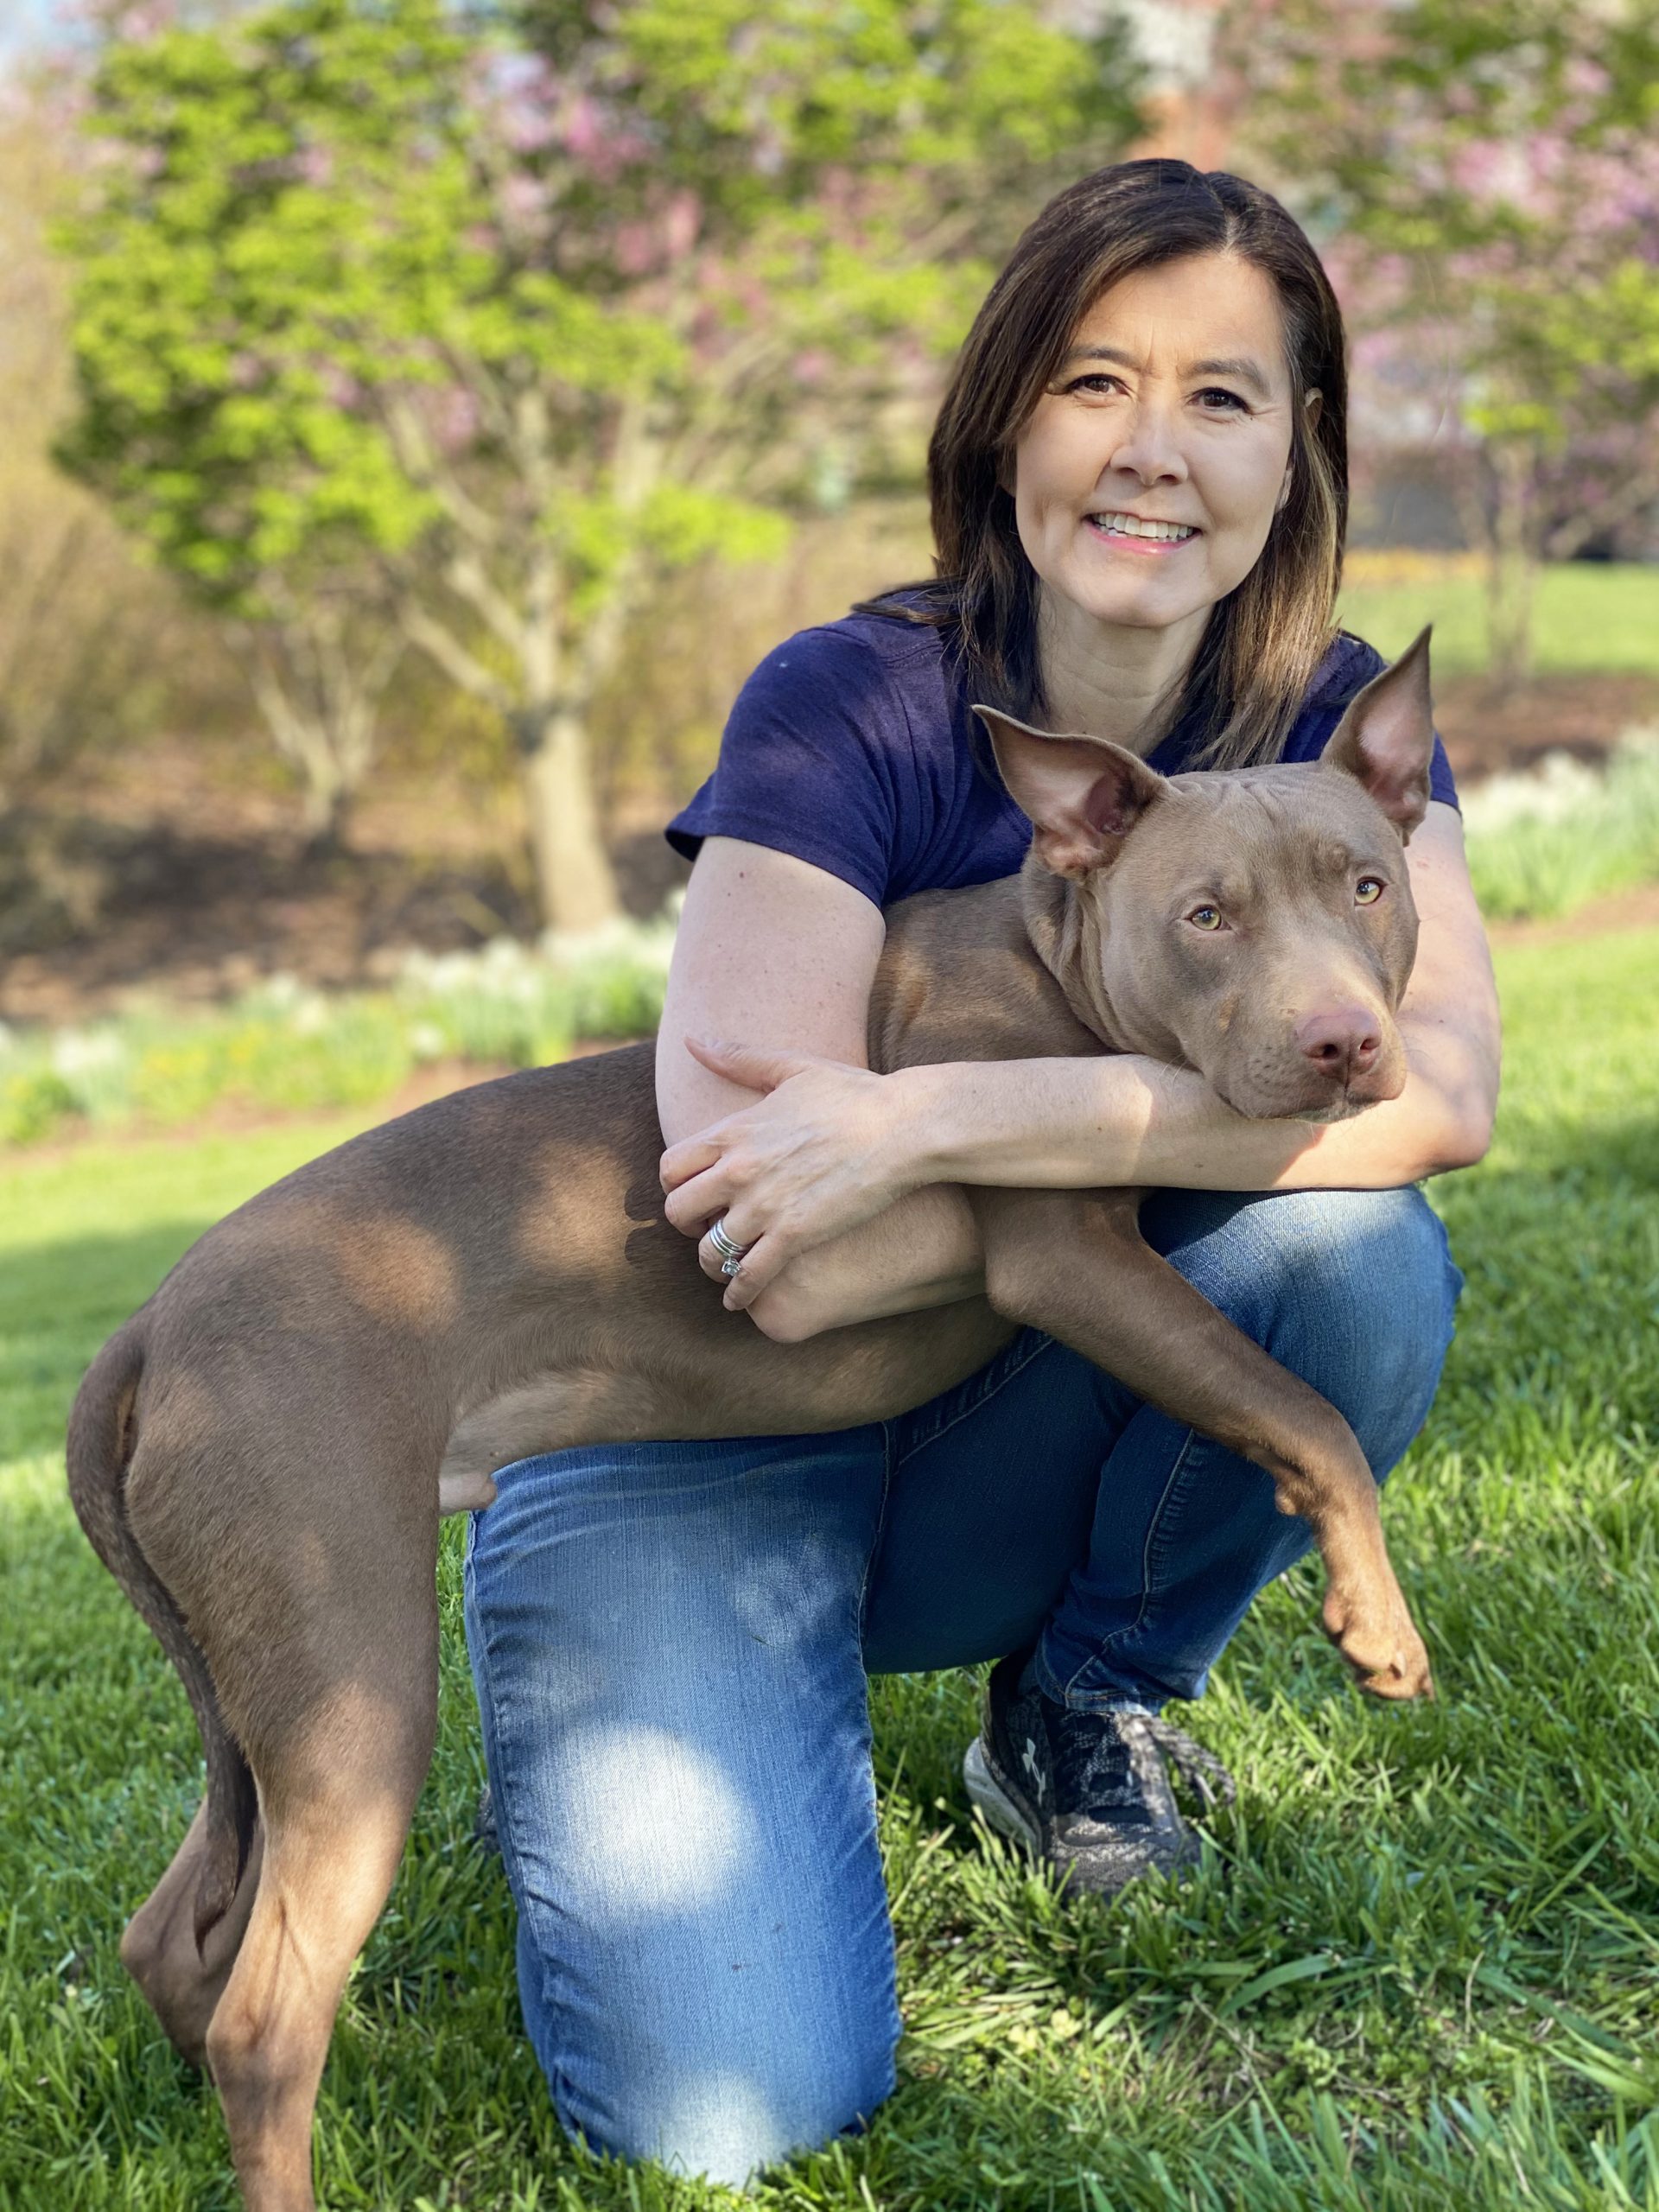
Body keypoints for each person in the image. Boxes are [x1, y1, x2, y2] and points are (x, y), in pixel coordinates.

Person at [463, 160, 1500, 2187]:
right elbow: (776, 1236)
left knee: (1356, 1245)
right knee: (723, 2105)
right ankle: (662, 1699)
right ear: (1005, 421)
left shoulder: (1331, 725)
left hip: (965, 1406)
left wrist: (930, 1116)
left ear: (1301, 447)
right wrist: (983, 1177)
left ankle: (1078, 1708)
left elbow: (1433, 1091)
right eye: (1094, 380)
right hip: (697, 1428)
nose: (1152, 446)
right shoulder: (850, 702)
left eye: (1223, 395)